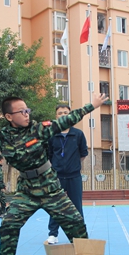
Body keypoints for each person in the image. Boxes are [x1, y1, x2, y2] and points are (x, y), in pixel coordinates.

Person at [0, 90, 108, 255]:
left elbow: (65, 121)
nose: (27, 114)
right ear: (9, 116)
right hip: (26, 191)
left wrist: (91, 106)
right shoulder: (2, 137)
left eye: (27, 110)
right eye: (22, 112)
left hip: (50, 187)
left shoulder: (39, 129)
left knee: (75, 221)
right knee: (8, 225)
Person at [46, 104, 88, 245]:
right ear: (56, 116)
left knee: (76, 206)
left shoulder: (78, 134)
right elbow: (49, 155)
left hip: (74, 176)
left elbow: (83, 154)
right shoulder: (51, 134)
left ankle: (79, 234)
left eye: (66, 112)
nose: (63, 115)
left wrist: (72, 166)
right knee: (55, 205)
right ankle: (53, 234)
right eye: (60, 113)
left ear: (70, 115)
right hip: (57, 177)